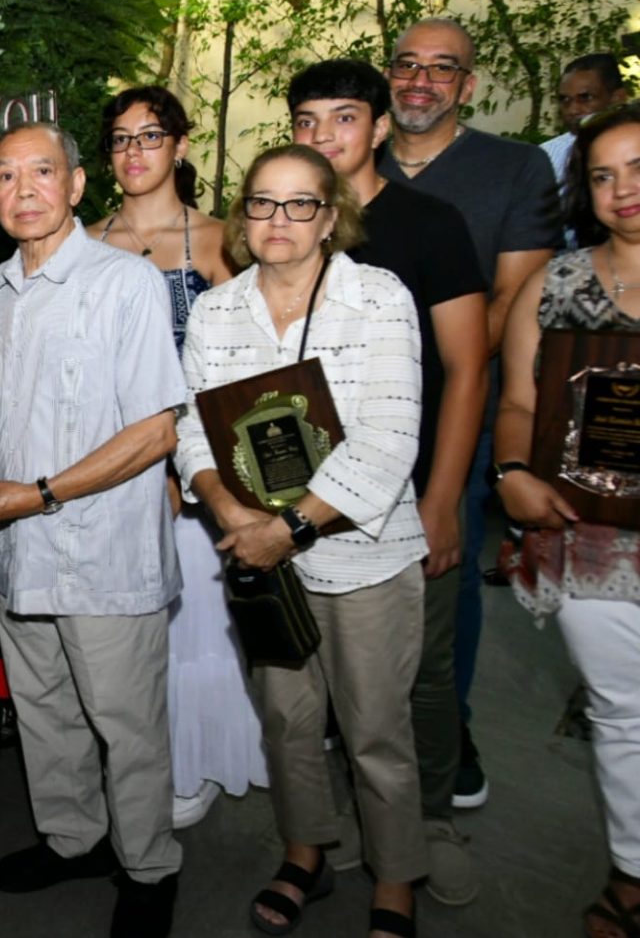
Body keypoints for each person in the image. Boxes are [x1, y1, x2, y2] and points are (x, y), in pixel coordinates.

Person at [0, 121, 185, 938]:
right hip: (21, 552)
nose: (22, 191)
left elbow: (155, 431)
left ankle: (149, 866)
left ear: (77, 186)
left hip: (105, 555)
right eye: (5, 177)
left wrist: (38, 493)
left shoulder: (127, 284)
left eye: (40, 172)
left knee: (127, 727)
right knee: (44, 713)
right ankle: (74, 838)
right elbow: (4, 407)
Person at [177, 145, 427, 938]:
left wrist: (286, 528)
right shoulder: (218, 310)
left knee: (375, 729)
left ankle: (395, 877)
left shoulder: (377, 297)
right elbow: (192, 429)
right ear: (242, 214)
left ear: (331, 215)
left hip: (363, 557)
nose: (277, 221)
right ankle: (305, 850)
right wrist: (229, 511)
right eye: (261, 202)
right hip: (258, 557)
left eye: (299, 204)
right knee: (286, 718)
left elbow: (388, 438)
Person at [289, 59, 488, 907]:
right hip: (308, 493)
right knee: (325, 676)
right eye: (306, 120)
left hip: (405, 487)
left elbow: (468, 369)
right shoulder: (289, 222)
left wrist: (441, 499)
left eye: (342, 119)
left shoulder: (430, 223)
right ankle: (341, 825)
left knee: (422, 670)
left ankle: (430, 821)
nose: (322, 136)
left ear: (376, 128)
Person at [378, 17, 563, 810]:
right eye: (407, 64)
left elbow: (512, 302)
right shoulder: (351, 155)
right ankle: (362, 721)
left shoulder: (515, 170)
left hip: (458, 405)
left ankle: (447, 729)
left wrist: (420, 387)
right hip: (344, 415)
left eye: (442, 69)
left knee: (442, 571)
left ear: (468, 85)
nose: (421, 81)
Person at [84, 87, 266, 831]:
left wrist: (181, 464)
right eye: (121, 139)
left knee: (190, 623)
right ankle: (130, 762)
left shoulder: (223, 240)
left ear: (181, 145)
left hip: (197, 465)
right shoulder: (85, 242)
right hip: (104, 460)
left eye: (150, 135)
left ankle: (191, 762)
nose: (135, 151)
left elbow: (246, 367)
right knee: (121, 632)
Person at [495, 101, 640, 938]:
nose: (623, 190)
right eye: (603, 174)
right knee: (621, 713)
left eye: (638, 167)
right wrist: (510, 470)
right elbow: (517, 399)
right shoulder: (554, 283)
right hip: (588, 535)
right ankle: (631, 872)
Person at [541, 54, 630, 195]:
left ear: (617, 98)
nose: (573, 109)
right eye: (565, 100)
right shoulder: (547, 156)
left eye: (585, 98)